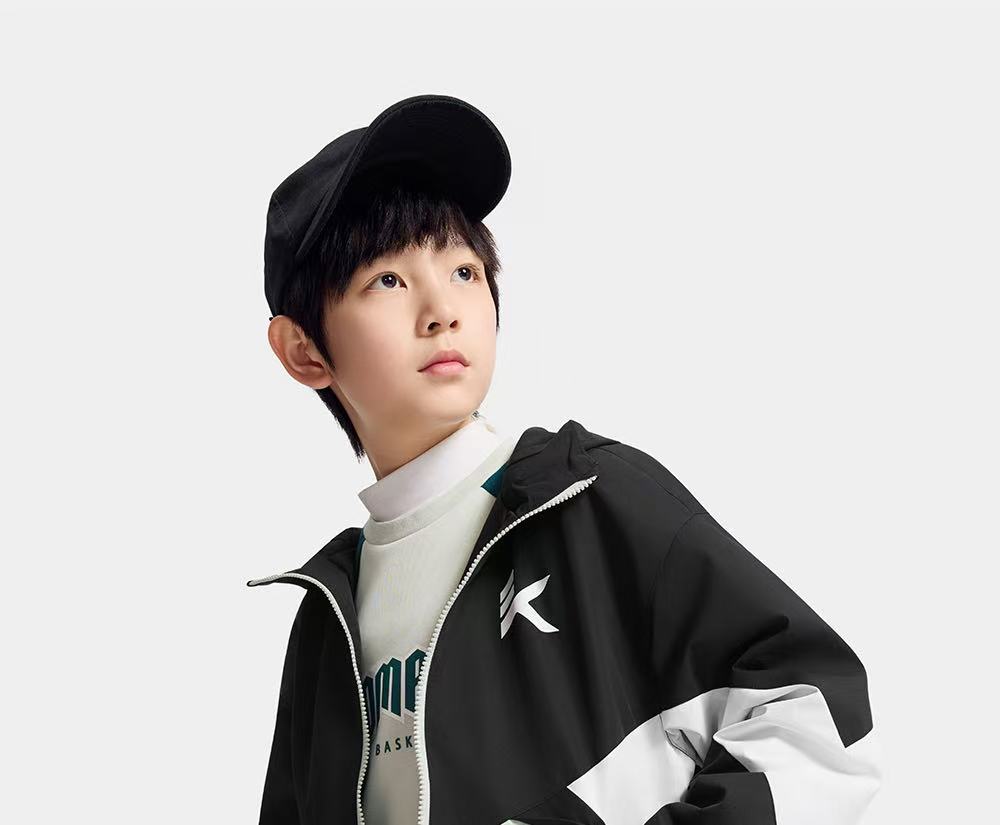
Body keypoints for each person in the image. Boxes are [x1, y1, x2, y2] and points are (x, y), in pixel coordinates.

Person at [248, 94, 883, 825]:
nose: (442, 309)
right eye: (387, 280)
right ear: (304, 351)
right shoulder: (328, 625)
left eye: (463, 271)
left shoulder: (593, 503)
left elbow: (822, 729)